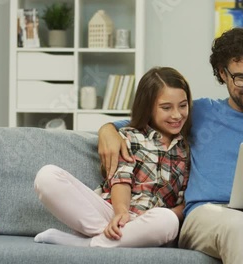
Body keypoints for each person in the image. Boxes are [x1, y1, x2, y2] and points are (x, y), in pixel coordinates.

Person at [98, 27, 243, 264]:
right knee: (236, 223)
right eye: (242, 77)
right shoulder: (200, 112)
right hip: (207, 217)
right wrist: (107, 130)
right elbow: (141, 120)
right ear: (222, 73)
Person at [33, 66, 192, 248]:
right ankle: (113, 237)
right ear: (148, 108)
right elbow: (121, 180)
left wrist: (156, 218)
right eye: (166, 107)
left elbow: (184, 204)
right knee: (47, 176)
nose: (177, 115)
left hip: (149, 221)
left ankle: (88, 243)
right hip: (112, 211)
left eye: (183, 105)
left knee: (168, 221)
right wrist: (120, 213)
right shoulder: (128, 136)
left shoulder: (188, 149)